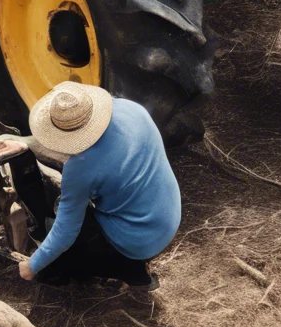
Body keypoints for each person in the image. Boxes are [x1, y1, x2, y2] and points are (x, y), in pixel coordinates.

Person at [12, 82, 181, 289]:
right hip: (167, 219)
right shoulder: (132, 109)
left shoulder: (81, 168)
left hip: (137, 242)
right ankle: (134, 266)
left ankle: (131, 271)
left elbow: (65, 232)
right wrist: (26, 143)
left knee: (57, 234)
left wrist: (33, 265)